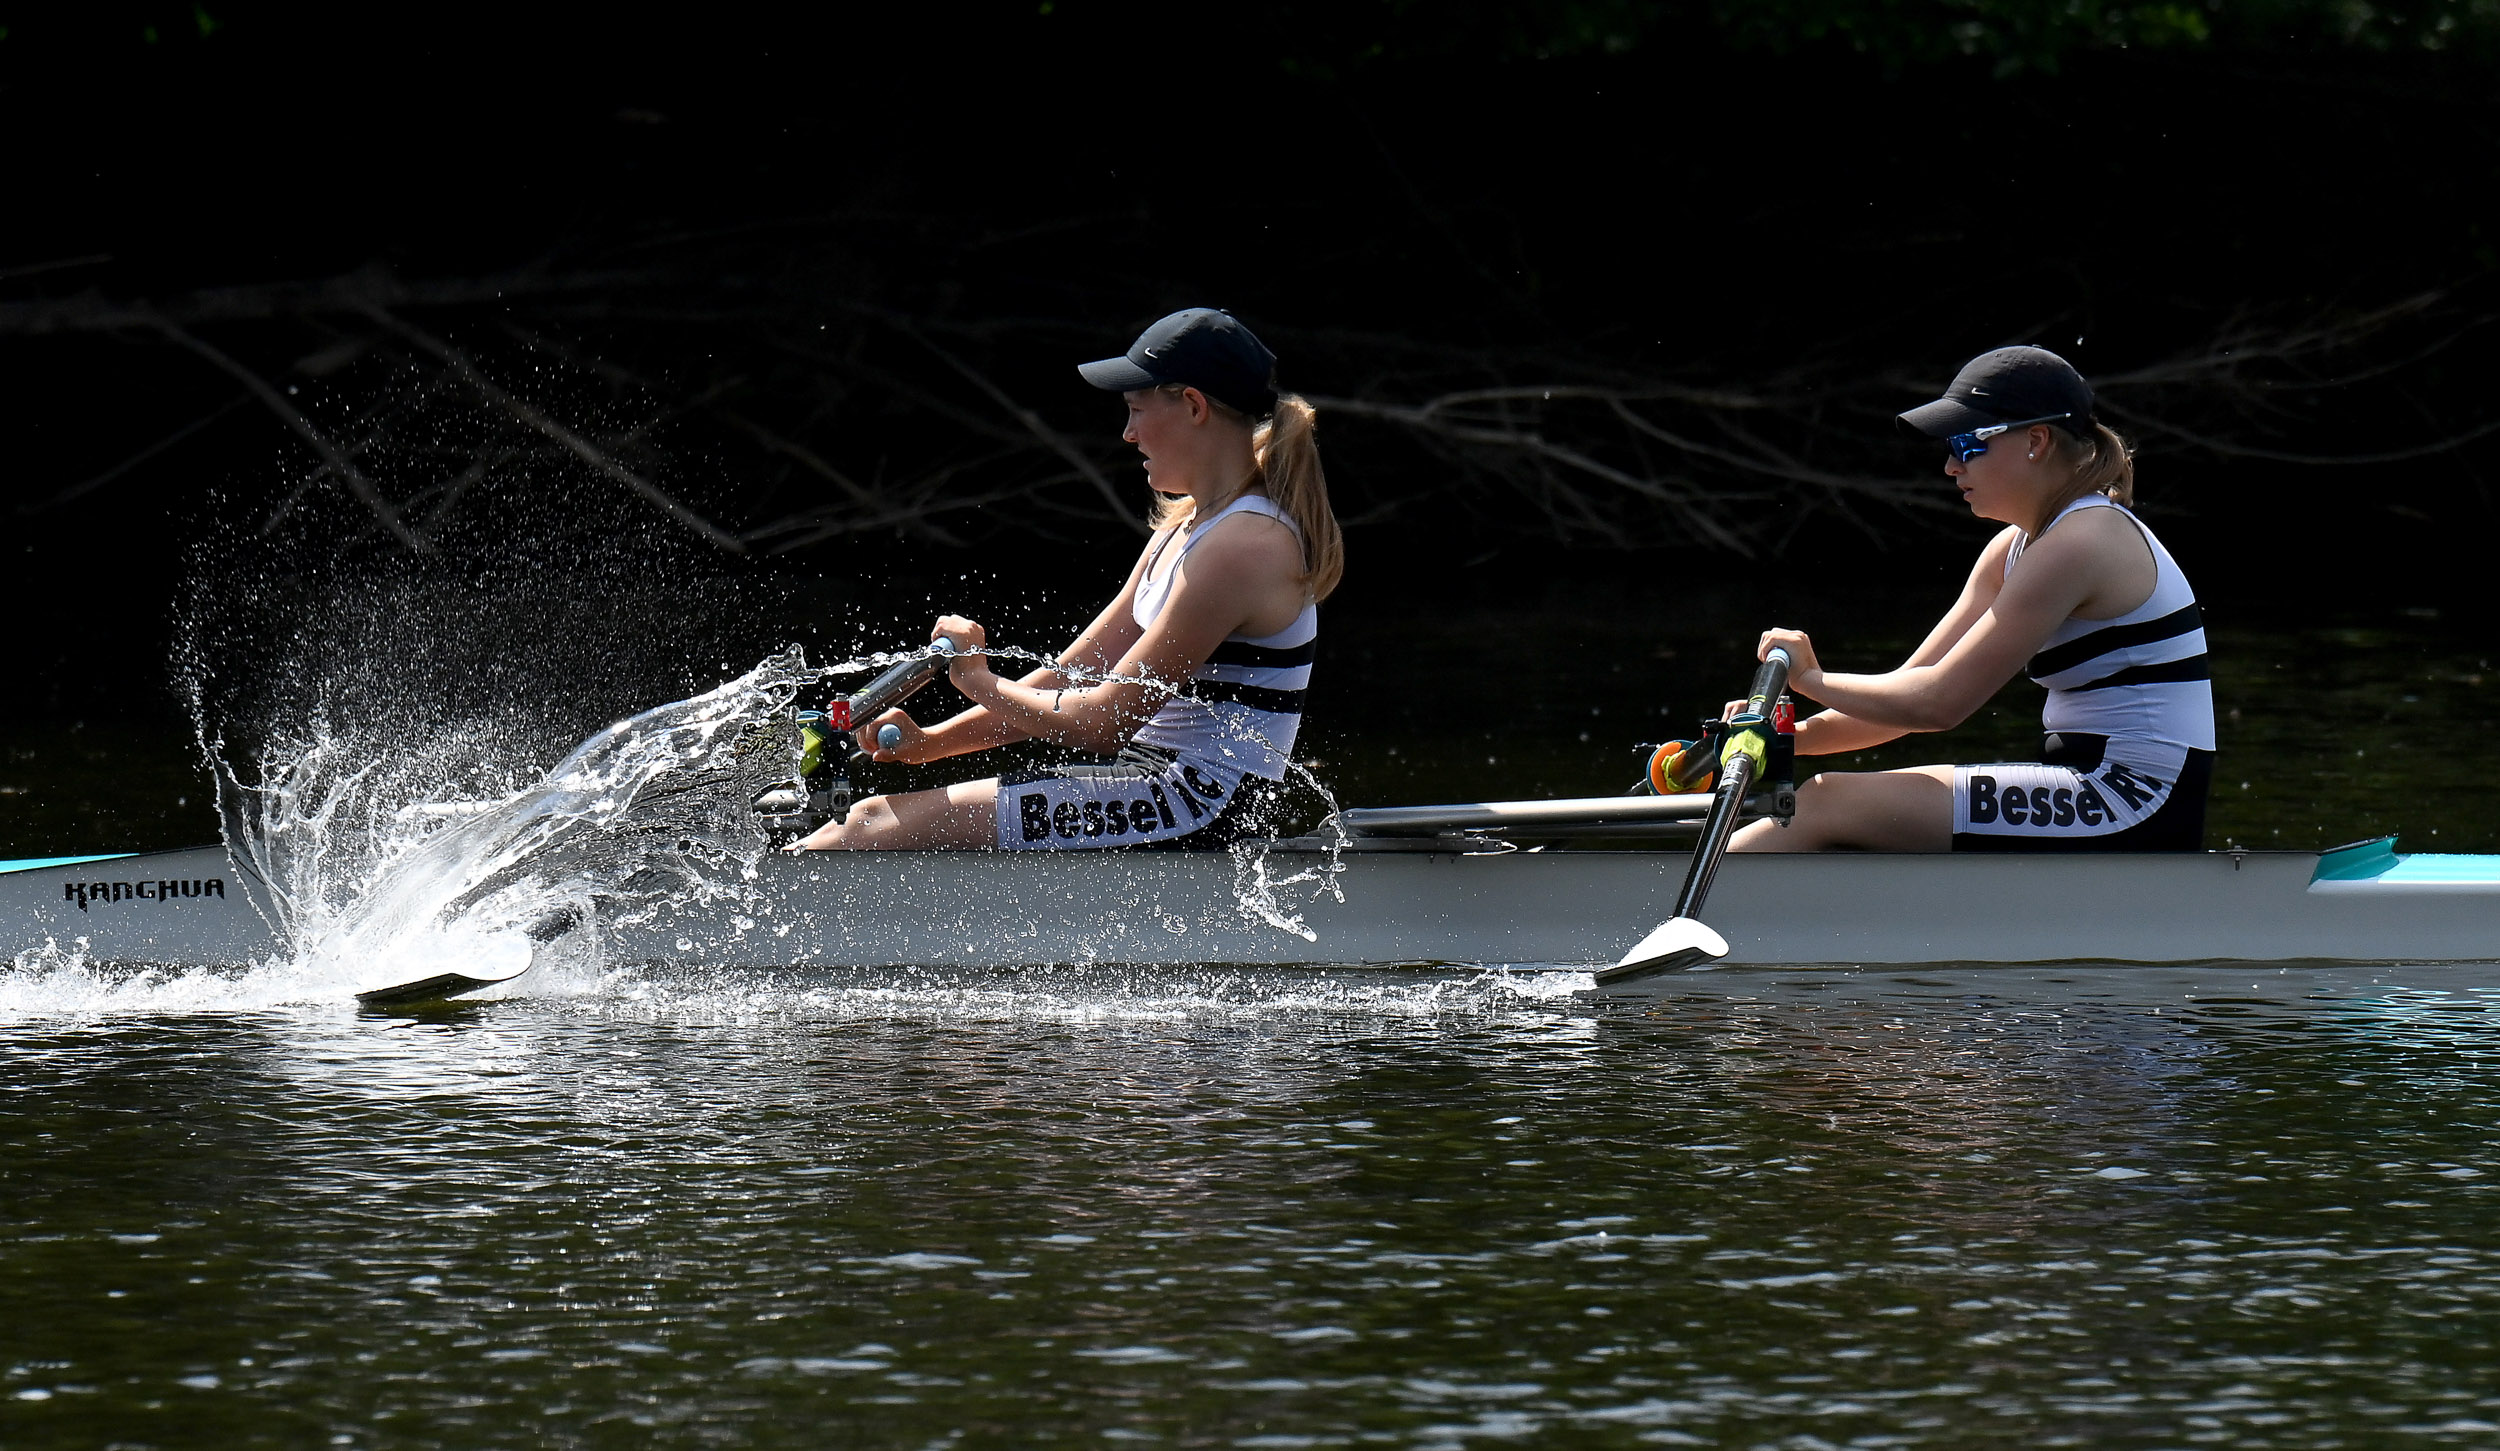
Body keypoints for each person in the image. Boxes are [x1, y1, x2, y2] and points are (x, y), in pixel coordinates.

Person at [793, 308, 1342, 851]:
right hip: (1154, 786)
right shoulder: (1185, 527)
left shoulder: (1243, 545)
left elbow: (1105, 720)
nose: (1127, 434)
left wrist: (977, 679)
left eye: (1134, 410)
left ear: (1194, 405)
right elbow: (1071, 678)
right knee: (867, 819)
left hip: (1204, 801)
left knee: (866, 823)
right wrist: (933, 743)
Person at [1729, 345, 2213, 853]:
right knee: (1830, 804)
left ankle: (1682, 927)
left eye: (1965, 443)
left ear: (2037, 441)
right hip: (2086, 783)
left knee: (1829, 803)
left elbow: (1939, 703)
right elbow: (1904, 693)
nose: (1949, 467)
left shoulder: (2083, 541)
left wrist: (1808, 679)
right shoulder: (2016, 546)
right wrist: (1787, 738)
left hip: (2135, 798)